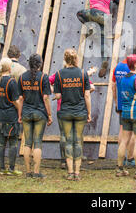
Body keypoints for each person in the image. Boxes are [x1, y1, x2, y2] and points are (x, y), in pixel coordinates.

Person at [54, 49, 92, 181]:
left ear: (65, 59)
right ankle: (77, 172)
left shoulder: (59, 74)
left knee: (68, 141)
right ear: (76, 59)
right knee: (78, 141)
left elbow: (58, 95)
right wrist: (89, 112)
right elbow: (87, 95)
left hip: (65, 112)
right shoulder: (83, 73)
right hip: (80, 111)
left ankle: (70, 172)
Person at [50, 66, 96, 168]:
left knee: (64, 135)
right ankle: (76, 159)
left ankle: (63, 161)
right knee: (78, 135)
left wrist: (57, 92)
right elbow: (92, 88)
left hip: (62, 108)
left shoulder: (59, 73)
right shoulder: (81, 73)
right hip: (78, 108)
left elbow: (47, 82)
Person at [77, 0, 120, 78]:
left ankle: (90, 27)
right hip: (105, 17)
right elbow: (117, 0)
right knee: (102, 41)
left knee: (79, 14)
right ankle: (104, 61)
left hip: (94, 13)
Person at [18, 53, 52, 178]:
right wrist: (49, 114)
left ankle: (28, 172)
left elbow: (21, 99)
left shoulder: (22, 78)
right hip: (40, 113)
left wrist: (19, 115)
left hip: (26, 113)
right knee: (37, 143)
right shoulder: (44, 77)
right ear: (40, 64)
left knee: (27, 143)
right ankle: (37, 172)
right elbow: (46, 98)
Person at [0, 58, 23, 175]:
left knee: (1, 142)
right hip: (10, 115)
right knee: (13, 142)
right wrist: (20, 111)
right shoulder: (11, 82)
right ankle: (11, 169)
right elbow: (15, 101)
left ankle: (1, 168)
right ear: (10, 68)